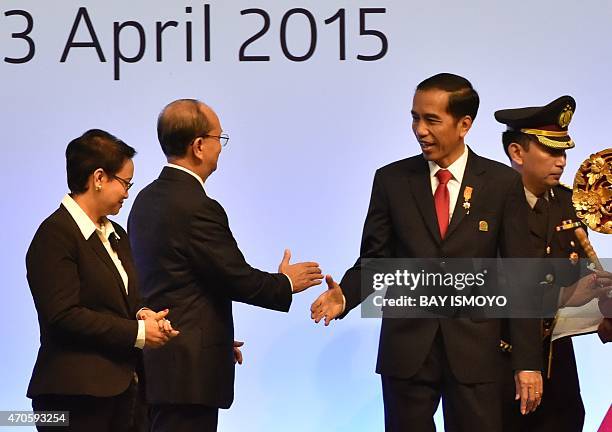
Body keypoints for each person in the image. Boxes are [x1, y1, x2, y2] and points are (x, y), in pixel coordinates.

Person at [310, 73, 544, 432]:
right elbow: (377, 258)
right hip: (407, 351)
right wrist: (347, 296)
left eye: (431, 120)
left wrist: (528, 362)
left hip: (476, 352)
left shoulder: (501, 184)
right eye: (415, 118)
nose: (420, 129)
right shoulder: (391, 180)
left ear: (464, 124)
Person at [128, 99, 323, 432]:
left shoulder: (144, 199)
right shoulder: (198, 207)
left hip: (160, 363)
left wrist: (215, 337)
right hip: (188, 374)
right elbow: (233, 277)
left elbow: (178, 283)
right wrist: (286, 282)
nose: (221, 147)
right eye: (220, 138)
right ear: (199, 146)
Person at [26, 129, 178, 432]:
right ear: (98, 178)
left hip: (128, 395)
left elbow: (126, 299)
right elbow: (63, 316)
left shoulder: (117, 235)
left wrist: (143, 313)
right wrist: (137, 331)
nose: (127, 192)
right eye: (124, 182)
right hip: (73, 398)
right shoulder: (54, 235)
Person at [495, 96, 612, 431]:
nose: (561, 161)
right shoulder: (490, 208)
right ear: (517, 153)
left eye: (563, 152)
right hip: (499, 359)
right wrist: (562, 296)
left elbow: (581, 284)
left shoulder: (568, 205)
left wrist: (604, 309)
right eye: (550, 151)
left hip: (556, 359)